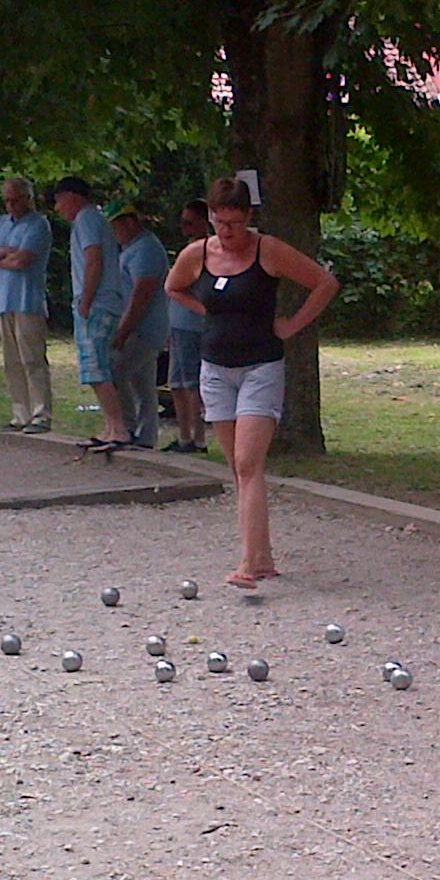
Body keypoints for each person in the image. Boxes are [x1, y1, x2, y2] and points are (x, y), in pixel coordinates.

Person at [165, 176, 339, 587]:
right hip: (216, 368)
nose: (227, 231)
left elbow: (324, 283)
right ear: (210, 217)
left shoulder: (268, 249)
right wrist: (207, 311)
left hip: (260, 366)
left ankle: (247, 562)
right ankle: (262, 555)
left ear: (248, 217)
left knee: (248, 461)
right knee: (239, 468)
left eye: (235, 222)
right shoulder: (198, 254)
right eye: (220, 222)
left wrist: (292, 324)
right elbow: (174, 287)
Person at [0, 176, 53, 432]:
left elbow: (21, 261)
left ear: (28, 198)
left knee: (32, 360)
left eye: (15, 200)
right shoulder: (0, 223)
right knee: (12, 362)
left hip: (28, 301)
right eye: (6, 201)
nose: (10, 206)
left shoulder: (38, 225)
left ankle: (41, 415)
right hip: (4, 301)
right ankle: (20, 414)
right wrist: (5, 252)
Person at [52, 176, 127, 444]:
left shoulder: (86, 219)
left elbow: (93, 260)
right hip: (103, 301)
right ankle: (111, 426)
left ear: (72, 196)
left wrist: (85, 300)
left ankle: (118, 428)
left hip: (97, 303)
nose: (57, 208)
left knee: (95, 367)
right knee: (96, 366)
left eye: (59, 201)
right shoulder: (94, 220)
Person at [106, 202, 173, 451]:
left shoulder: (145, 250)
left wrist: (122, 332)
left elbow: (141, 295)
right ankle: (145, 437)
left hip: (143, 329)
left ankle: (126, 428)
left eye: (115, 226)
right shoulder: (132, 249)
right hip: (145, 328)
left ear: (129, 222)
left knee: (116, 371)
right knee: (143, 383)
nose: (114, 233)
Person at [164, 199, 210, 453]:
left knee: (191, 383)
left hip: (192, 325)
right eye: (182, 223)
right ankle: (185, 436)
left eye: (189, 223)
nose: (185, 228)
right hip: (180, 323)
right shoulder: (193, 250)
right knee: (178, 383)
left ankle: (197, 438)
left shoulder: (202, 252)